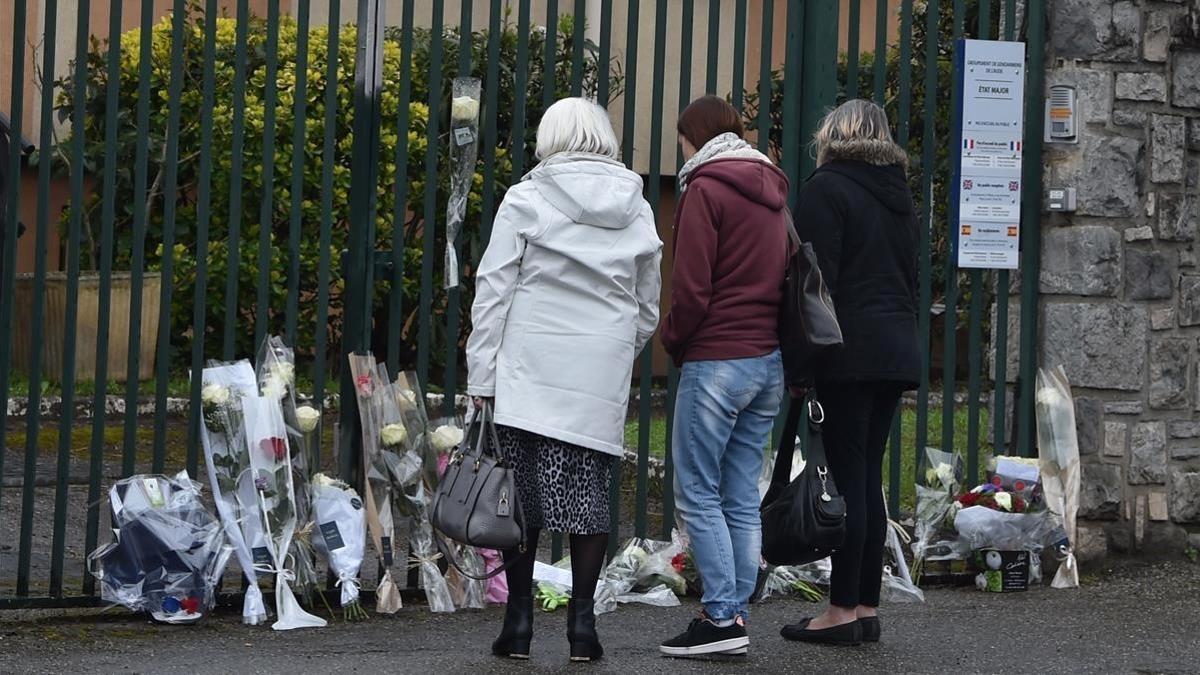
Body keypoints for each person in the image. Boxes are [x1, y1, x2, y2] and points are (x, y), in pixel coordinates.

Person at [466, 97, 663, 662]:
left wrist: (483, 374)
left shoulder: (526, 197)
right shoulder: (638, 205)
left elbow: (495, 290)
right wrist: (617, 346)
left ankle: (519, 624)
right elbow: (647, 301)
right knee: (587, 498)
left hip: (531, 367)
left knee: (521, 498)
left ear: (549, 135)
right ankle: (583, 629)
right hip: (597, 369)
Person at [779, 99, 919, 646]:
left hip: (847, 352)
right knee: (868, 478)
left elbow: (813, 286)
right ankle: (865, 605)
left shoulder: (826, 188)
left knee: (847, 476)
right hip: (894, 349)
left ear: (834, 133)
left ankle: (841, 609)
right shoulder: (898, 194)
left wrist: (800, 364)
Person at [658, 95, 789, 658]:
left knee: (696, 491)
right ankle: (734, 612)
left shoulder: (704, 188)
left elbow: (691, 288)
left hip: (716, 357)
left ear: (693, 137)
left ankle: (720, 617)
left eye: (681, 139)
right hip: (767, 360)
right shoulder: (775, 192)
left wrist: (673, 340)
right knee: (739, 491)